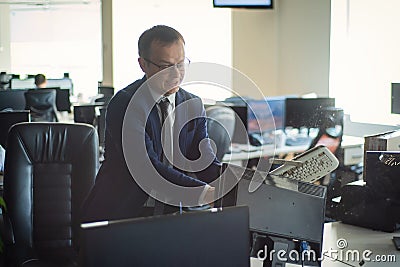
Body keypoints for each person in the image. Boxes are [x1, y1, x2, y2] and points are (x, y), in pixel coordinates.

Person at [81, 25, 221, 222]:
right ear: (143, 64)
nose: (176, 75)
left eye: (181, 64)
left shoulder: (193, 104)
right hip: (122, 216)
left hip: (170, 214)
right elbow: (146, 168)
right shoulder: (126, 104)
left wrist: (234, 182)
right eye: (165, 67)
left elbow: (202, 157)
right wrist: (203, 193)